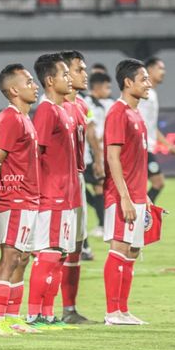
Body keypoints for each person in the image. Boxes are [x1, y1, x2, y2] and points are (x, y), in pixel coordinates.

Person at [0, 63, 40, 336]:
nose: (35, 85)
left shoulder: (24, 118)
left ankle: (12, 317)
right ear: (13, 90)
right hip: (15, 199)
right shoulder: (10, 118)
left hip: (28, 198)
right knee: (10, 257)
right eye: (29, 81)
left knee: (22, 257)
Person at [26, 54, 78, 331]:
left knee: (58, 256)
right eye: (64, 75)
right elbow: (37, 154)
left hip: (66, 197)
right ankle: (35, 315)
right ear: (50, 80)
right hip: (51, 196)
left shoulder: (63, 111)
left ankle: (48, 314)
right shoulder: (46, 111)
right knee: (47, 254)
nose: (69, 79)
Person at [103, 59, 152, 326]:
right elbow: (113, 158)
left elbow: (137, 161)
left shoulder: (137, 114)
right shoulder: (117, 113)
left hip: (136, 194)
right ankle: (112, 312)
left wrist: (145, 196)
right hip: (121, 195)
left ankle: (123, 310)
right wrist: (124, 197)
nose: (149, 84)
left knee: (131, 251)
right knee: (119, 248)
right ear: (128, 82)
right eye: (143, 79)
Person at [59, 50, 98, 322]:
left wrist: (98, 158)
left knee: (76, 245)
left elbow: (92, 131)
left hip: (78, 179)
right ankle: (42, 311)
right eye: (79, 69)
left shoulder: (82, 105)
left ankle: (69, 309)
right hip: (58, 186)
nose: (85, 74)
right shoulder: (54, 108)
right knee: (53, 248)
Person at [138, 56, 175, 203]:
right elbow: (137, 121)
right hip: (140, 147)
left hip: (146, 147)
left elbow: (151, 126)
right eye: (160, 68)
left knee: (154, 183)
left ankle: (142, 217)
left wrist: (167, 145)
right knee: (156, 182)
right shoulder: (144, 93)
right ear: (149, 70)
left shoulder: (152, 94)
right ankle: (141, 217)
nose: (164, 72)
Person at [84, 72, 114, 238]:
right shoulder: (87, 103)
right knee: (85, 187)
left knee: (98, 187)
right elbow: (91, 129)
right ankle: (103, 221)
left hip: (97, 153)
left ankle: (103, 224)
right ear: (97, 87)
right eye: (107, 87)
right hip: (88, 154)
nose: (109, 90)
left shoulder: (102, 104)